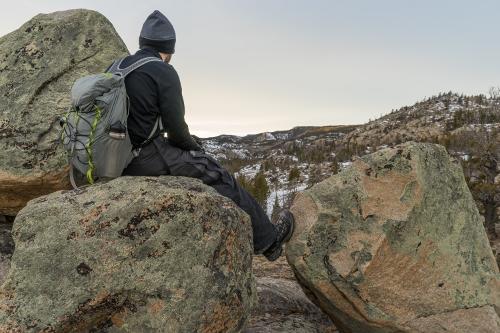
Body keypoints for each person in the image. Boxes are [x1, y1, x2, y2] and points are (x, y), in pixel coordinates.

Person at [116, 10, 294, 261]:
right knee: (214, 171)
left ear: (143, 42)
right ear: (168, 49)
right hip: (142, 157)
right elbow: (176, 129)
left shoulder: (119, 66)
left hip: (115, 157)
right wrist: (194, 148)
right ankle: (270, 240)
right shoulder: (162, 71)